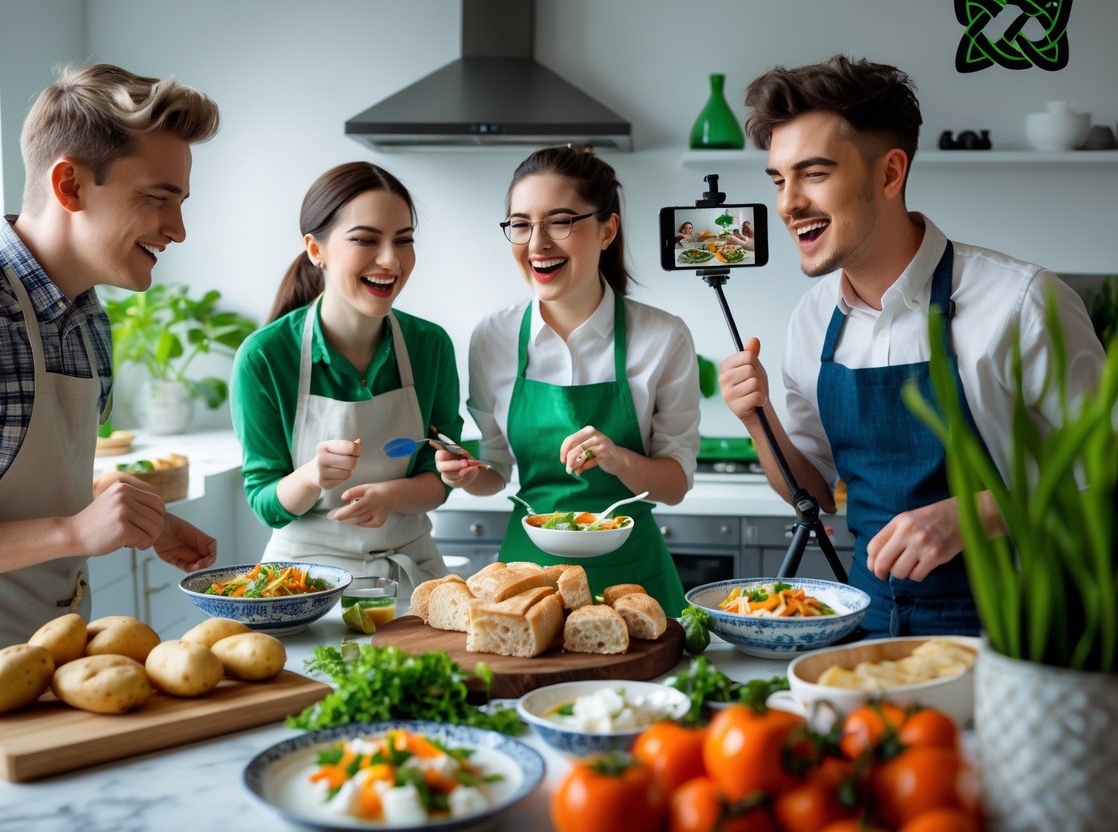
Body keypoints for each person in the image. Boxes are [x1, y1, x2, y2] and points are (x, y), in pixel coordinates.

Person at [718, 55, 1107, 637]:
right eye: (779, 179)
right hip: (867, 625)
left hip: (1018, 633)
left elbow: (1105, 476)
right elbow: (814, 492)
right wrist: (757, 419)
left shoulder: (1023, 302)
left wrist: (972, 515)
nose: (786, 203)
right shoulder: (812, 320)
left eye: (814, 174)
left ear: (890, 173)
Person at [0, 64, 220, 690]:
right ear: (70, 184)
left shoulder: (88, 320)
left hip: (67, 661)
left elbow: (9, 482)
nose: (178, 230)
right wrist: (75, 531)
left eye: (181, 203)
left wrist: (139, 519)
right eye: (158, 198)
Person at [437, 146, 701, 615]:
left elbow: (675, 484)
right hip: (527, 582)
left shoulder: (662, 336)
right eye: (521, 224)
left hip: (635, 582)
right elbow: (496, 471)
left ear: (607, 230)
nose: (537, 243)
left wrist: (619, 459)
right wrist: (466, 474)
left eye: (560, 221)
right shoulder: (492, 337)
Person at [230, 162, 461, 587]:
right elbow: (265, 500)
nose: (390, 260)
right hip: (303, 582)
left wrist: (391, 496)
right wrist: (312, 475)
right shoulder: (264, 356)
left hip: (414, 578)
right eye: (365, 240)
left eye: (403, 240)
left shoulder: (430, 347)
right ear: (316, 250)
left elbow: (440, 475)